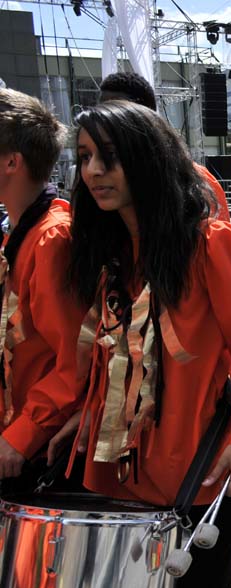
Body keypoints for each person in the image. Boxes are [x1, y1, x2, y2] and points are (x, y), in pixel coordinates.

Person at [55, 101, 231, 588]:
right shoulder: (112, 255)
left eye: (109, 156)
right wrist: (90, 410)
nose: (93, 171)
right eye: (84, 156)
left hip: (198, 478)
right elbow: (117, 354)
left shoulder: (215, 245)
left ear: (146, 158)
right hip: (117, 480)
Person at [0, 89, 83, 481]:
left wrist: (21, 435)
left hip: (33, 451)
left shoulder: (52, 241)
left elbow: (76, 361)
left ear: (12, 162)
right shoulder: (19, 234)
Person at [98, 71, 230, 221]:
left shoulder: (198, 180)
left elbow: (217, 238)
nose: (105, 119)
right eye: (101, 111)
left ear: (146, 116)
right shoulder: (95, 180)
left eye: (116, 112)